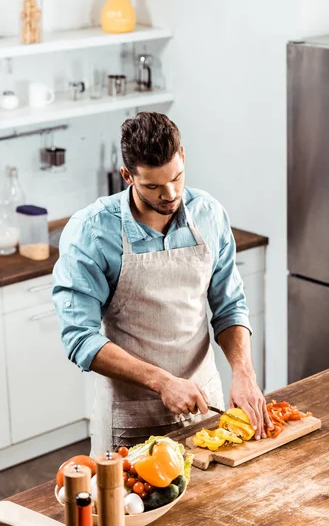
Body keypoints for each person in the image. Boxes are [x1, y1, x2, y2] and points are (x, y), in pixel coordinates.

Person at [53, 111, 271, 456]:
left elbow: (229, 307)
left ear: (182, 157)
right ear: (127, 176)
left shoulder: (209, 215)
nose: (170, 195)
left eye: (177, 178)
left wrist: (244, 373)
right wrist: (162, 381)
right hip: (131, 420)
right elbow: (80, 338)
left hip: (206, 406)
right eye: (152, 186)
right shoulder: (92, 232)